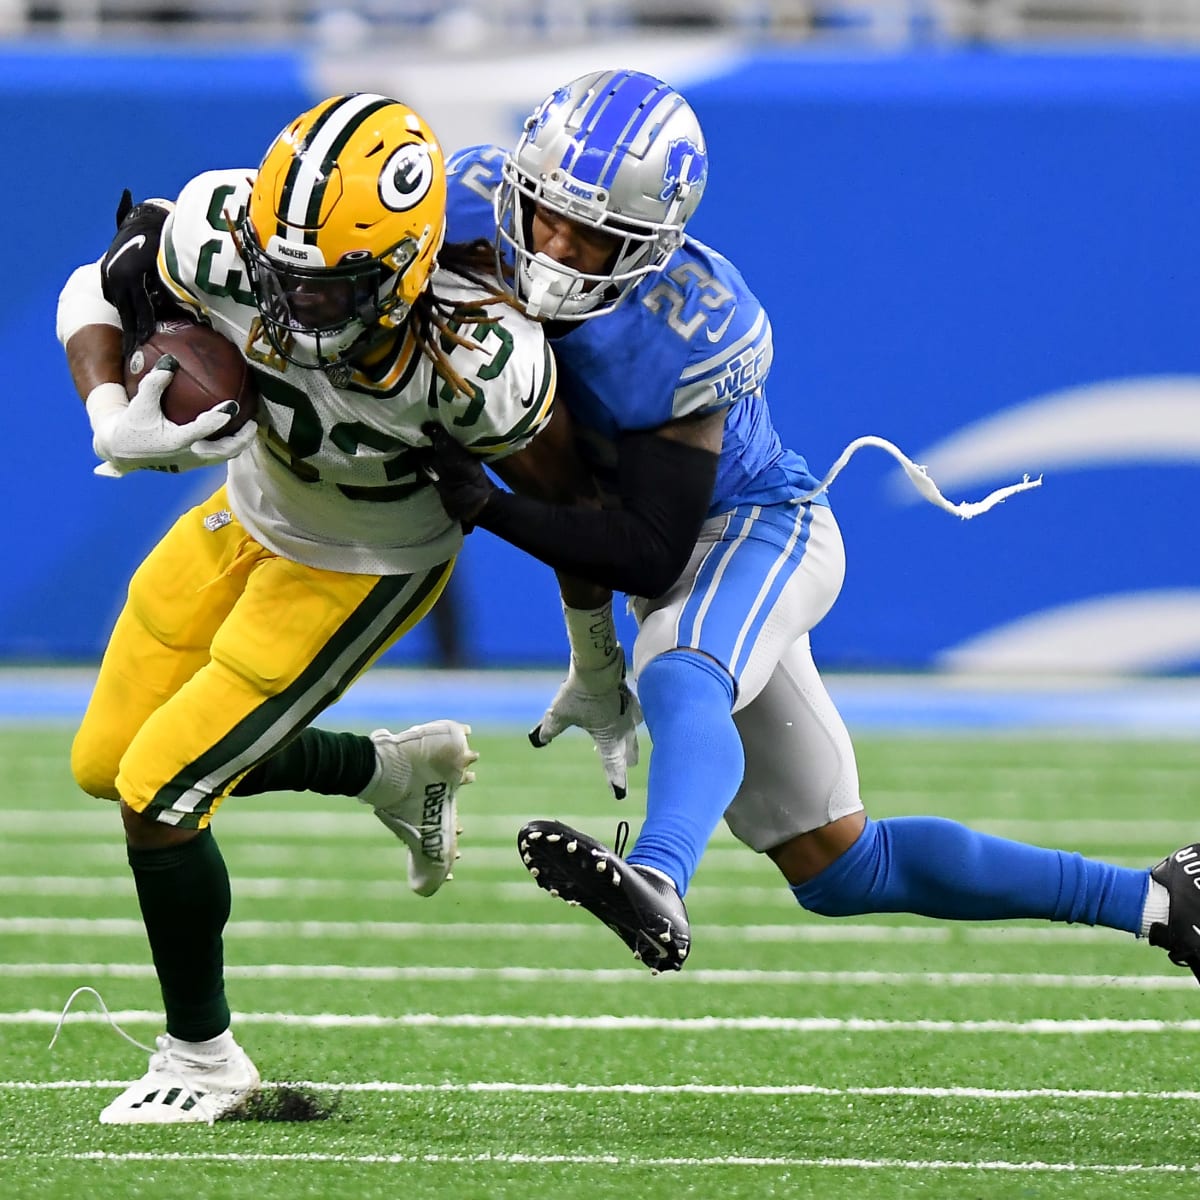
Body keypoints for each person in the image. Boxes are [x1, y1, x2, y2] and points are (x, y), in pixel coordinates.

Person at [419, 68, 1200, 983]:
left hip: (756, 530)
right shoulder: (459, 203)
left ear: (652, 243)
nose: (555, 246)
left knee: (681, 666)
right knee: (839, 865)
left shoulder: (693, 322)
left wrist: (487, 507)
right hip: (669, 569)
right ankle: (1165, 904)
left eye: (595, 237)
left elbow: (651, 548)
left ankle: (661, 878)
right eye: (545, 213)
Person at [56, 92, 563, 1122]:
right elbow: (92, 289)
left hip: (366, 561)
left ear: (403, 269)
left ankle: (202, 1059)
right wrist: (112, 415)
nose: (295, 310)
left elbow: (568, 497)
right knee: (103, 763)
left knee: (160, 793)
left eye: (329, 291)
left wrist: (596, 661)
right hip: (247, 513)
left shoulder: (481, 359)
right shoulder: (222, 233)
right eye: (284, 280)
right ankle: (388, 769)